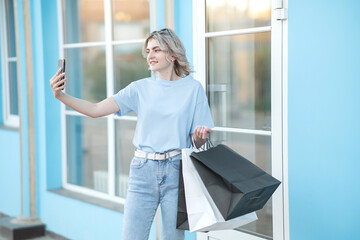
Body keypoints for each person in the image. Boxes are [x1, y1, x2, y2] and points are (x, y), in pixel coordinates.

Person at [50, 28, 214, 240]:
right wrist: (60, 95)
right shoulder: (139, 88)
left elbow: (197, 141)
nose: (150, 56)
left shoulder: (193, 89)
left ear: (172, 54)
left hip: (176, 170)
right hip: (142, 171)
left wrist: (200, 136)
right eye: (147, 51)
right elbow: (96, 110)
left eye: (156, 50)